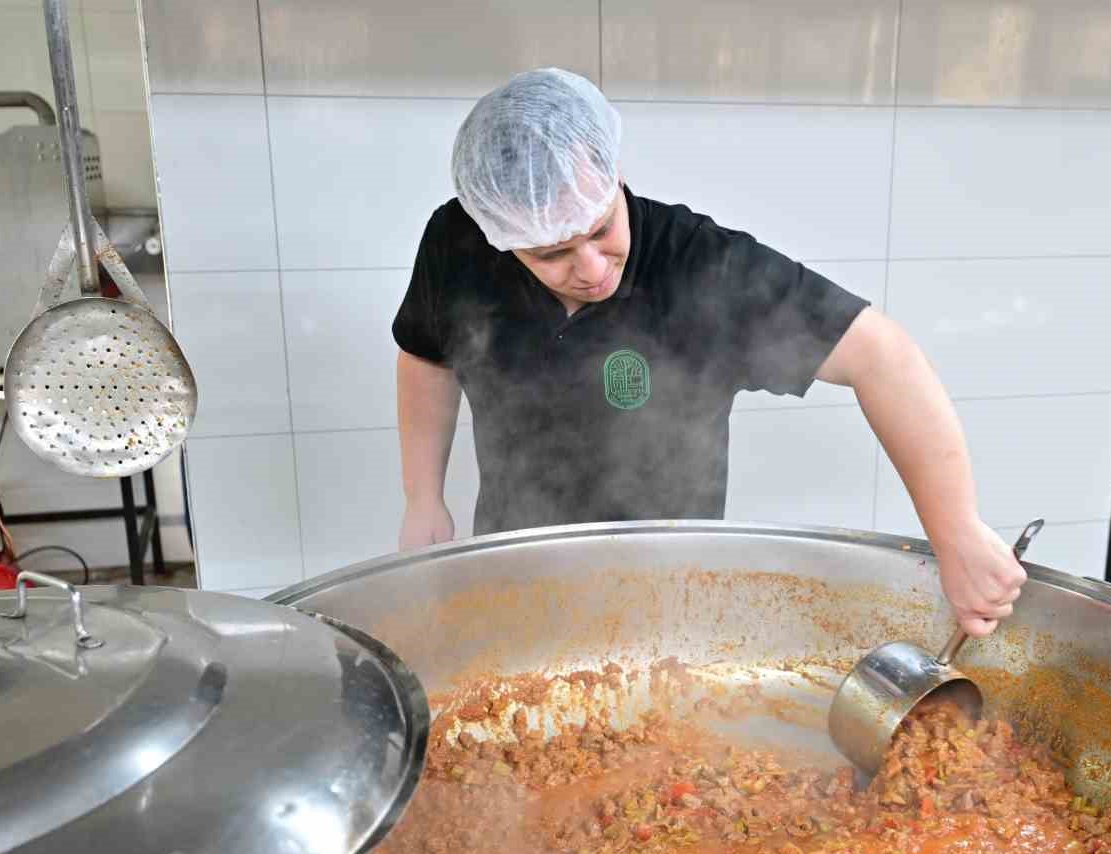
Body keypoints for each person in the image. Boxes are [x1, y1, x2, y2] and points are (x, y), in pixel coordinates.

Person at [393, 69, 1026, 635]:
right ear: (501, 236)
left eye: (601, 228)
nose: (590, 268)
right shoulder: (458, 243)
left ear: (614, 175)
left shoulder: (701, 266)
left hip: (672, 590)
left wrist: (957, 531)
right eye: (552, 253)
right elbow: (427, 353)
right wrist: (423, 495)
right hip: (513, 572)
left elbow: (883, 356)